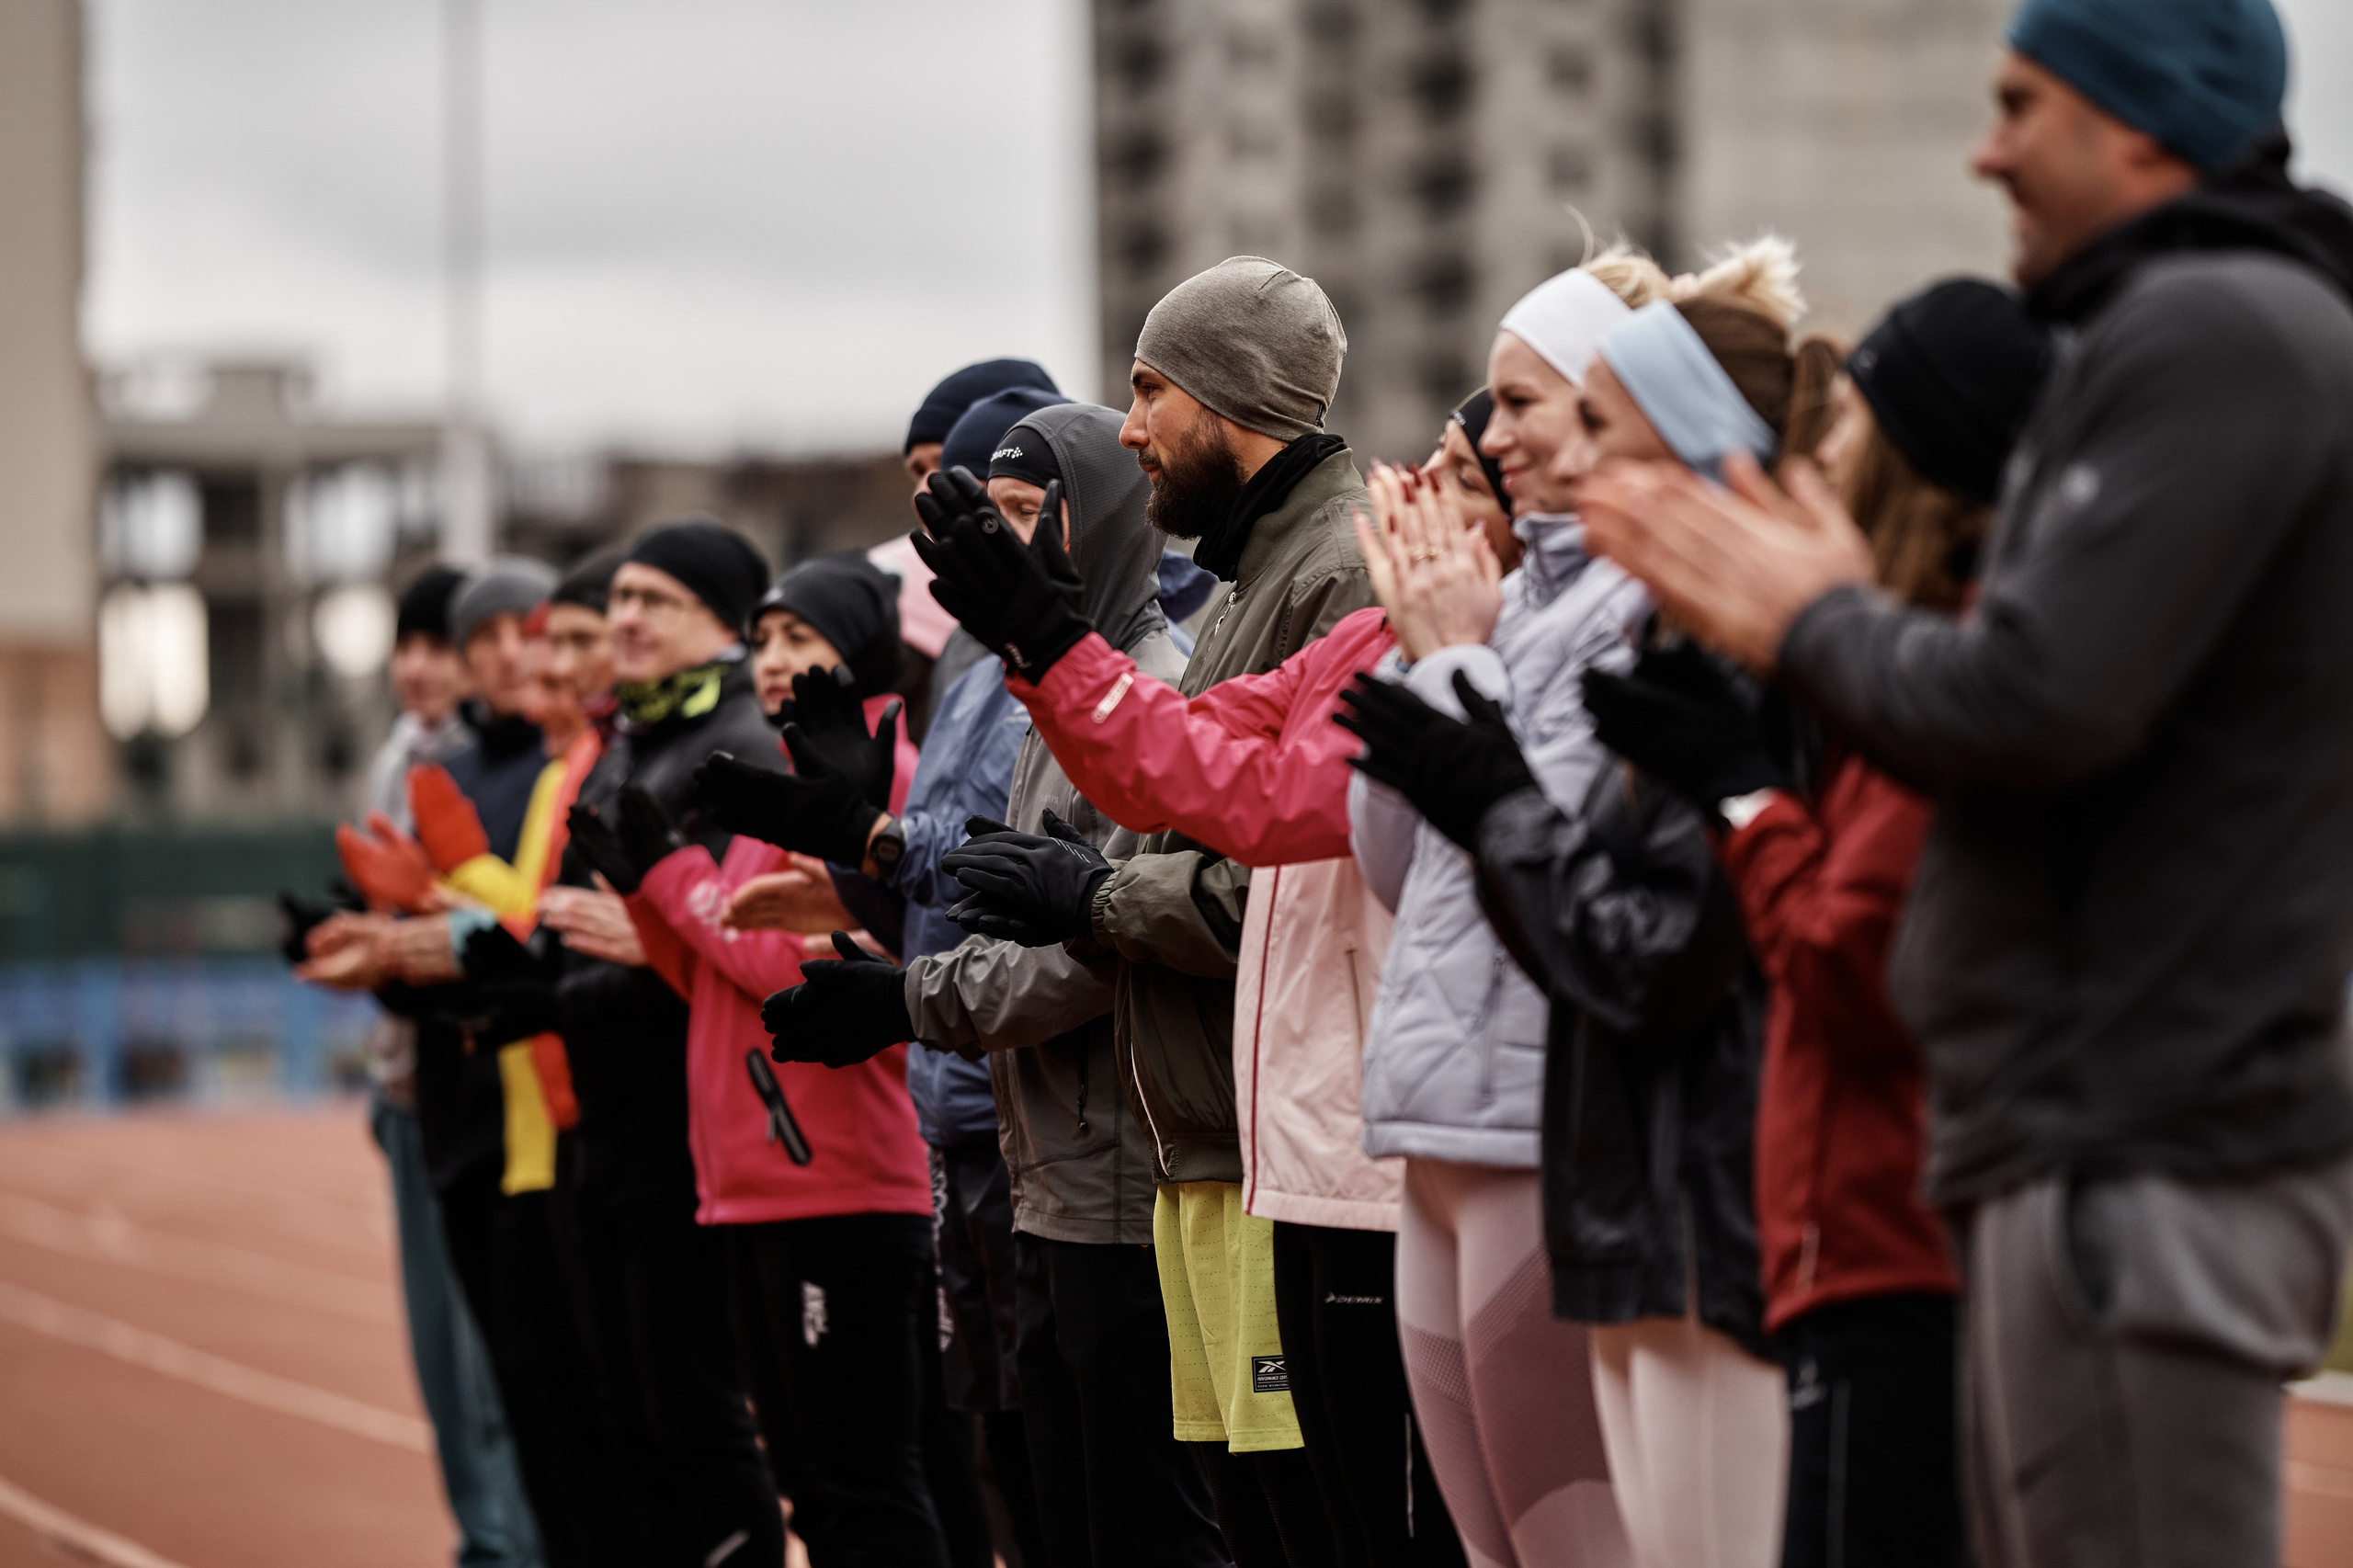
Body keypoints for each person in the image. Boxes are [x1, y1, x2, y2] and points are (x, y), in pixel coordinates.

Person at [1574, 2, 2353, 1562]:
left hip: (2140, 1150)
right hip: (2077, 1145)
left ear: (2140, 118)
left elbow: (2035, 696)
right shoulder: (2172, 326)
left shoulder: (2218, 327)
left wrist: (1810, 622)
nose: (1987, 148)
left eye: (2021, 103)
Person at [917, 361, 1577, 1568]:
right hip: (1303, 1147)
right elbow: (1188, 751)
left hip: (1396, 1150)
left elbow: (1272, 806)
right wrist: (1046, 643)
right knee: (1286, 1521)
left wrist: (1091, 878)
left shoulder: (1452, 628)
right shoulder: (1369, 625)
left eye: (1467, 468)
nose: (1417, 480)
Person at [1336, 244, 1824, 1568]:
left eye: (1531, 404)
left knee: (1598, 1545)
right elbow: (1404, 860)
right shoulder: (1517, 601)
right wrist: (1428, 647)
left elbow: (1557, 856)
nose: (1492, 441)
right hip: (1444, 1113)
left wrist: (1459, 667)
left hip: (1545, 1119)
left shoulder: (1646, 608)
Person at [1579, 278, 2052, 1568]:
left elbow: (1846, 961)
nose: (1820, 452)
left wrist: (1743, 793)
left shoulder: (1921, 682)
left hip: (1874, 1246)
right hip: (1812, 1238)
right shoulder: (1891, 677)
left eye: (1847, 430)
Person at [922, 254, 1368, 1568]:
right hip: (1208, 1150)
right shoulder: (1252, 585)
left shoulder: (1335, 576)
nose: (1128, 428)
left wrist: (1096, 895)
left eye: (1149, 389)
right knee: (1227, 1517)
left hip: (1281, 1160)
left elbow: (1276, 865)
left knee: (1282, 1528)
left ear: (1227, 402)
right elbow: (1180, 775)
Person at [749, 401, 1233, 1568]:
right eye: (987, 514)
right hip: (1044, 1170)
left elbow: (1096, 949)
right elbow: (990, 893)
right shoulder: (1033, 696)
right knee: (1052, 1512)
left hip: (1134, 1183)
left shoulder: (1143, 694)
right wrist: (869, 847)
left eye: (1026, 513)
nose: (998, 542)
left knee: (1143, 1523)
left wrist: (909, 995)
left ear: (1102, 526)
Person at [585, 555, 962, 1568]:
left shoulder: (876, 776)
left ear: (866, 651)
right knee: (816, 1489)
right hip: (757, 1182)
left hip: (839, 1179)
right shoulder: (788, 782)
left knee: (865, 1486)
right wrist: (642, 890)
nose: (776, 661)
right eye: (765, 640)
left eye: (803, 636)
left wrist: (669, 878)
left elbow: (792, 962)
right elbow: (707, 978)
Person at [533, 520, 791, 1568]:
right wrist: (515, 984)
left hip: (697, 1129)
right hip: (612, 1123)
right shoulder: (633, 739)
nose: (626, 617)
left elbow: (741, 931)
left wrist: (631, 945)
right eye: (622, 597)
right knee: (628, 1413)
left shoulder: (742, 745)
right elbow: (592, 919)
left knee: (697, 1415)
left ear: (722, 621)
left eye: (656, 600)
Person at [354, 563, 548, 1568]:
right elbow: (454, 944)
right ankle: (492, 1541)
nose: (432, 668)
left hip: (543, 1107)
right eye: (427, 644)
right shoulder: (422, 768)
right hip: (447, 1095)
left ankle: (514, 1541)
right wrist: (382, 954)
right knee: (455, 1360)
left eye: (457, 644)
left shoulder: (560, 770)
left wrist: (438, 925)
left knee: (520, 1371)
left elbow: (527, 935)